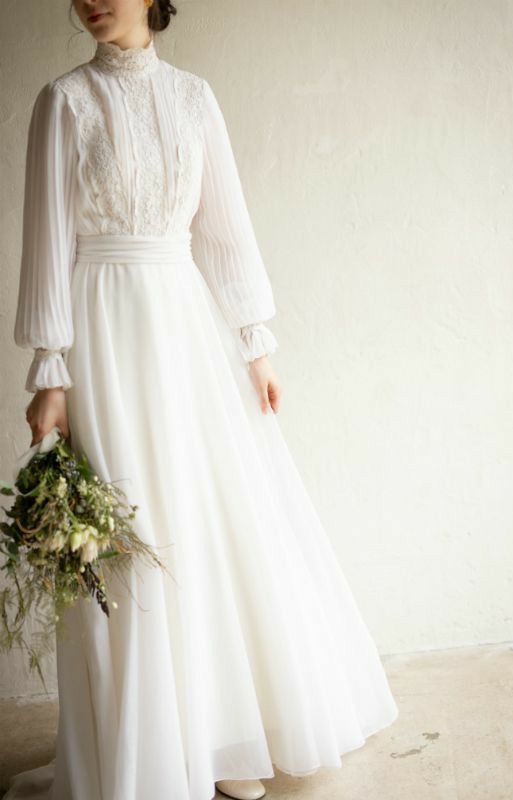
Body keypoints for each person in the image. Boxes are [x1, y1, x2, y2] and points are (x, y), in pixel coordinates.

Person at [5, 1, 399, 799]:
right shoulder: (64, 101)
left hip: (184, 328)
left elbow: (224, 226)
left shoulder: (195, 98)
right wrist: (53, 370)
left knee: (203, 523)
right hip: (103, 330)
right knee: (129, 537)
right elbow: (46, 236)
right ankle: (145, 753)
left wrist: (256, 340)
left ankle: (216, 744)